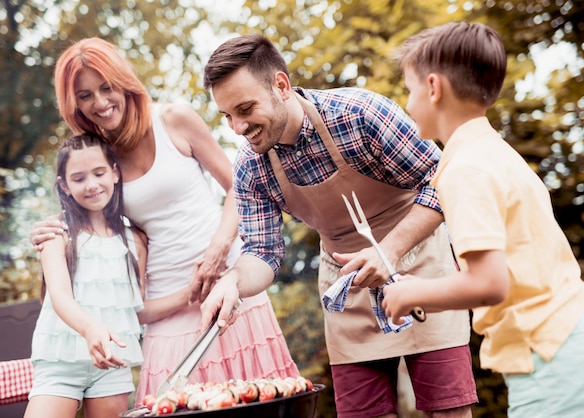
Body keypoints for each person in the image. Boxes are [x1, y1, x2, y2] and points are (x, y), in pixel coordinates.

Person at [200, 33, 478, 418]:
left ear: (281, 85)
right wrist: (232, 281)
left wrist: (390, 250)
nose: (237, 127)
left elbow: (442, 180)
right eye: (227, 115)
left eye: (245, 109)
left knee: (449, 412)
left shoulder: (360, 114)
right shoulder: (251, 166)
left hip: (420, 268)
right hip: (346, 287)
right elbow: (263, 253)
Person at [29, 37, 299, 406]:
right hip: (166, 299)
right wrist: (52, 227)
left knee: (257, 401)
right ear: (73, 102)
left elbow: (240, 186)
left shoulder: (174, 119)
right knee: (174, 404)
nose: (100, 102)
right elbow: (86, 208)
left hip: (227, 282)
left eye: (106, 87)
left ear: (123, 81)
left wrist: (220, 248)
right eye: (85, 95)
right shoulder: (99, 157)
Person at [380, 21, 584, 417]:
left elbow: (490, 283)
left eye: (409, 91)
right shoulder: (495, 153)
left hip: (548, 355)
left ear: (432, 87)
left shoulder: (466, 169)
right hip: (572, 338)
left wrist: (412, 294)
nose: (408, 104)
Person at [24, 133, 146, 418]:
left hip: (112, 365)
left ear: (115, 173)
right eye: (78, 179)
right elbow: (60, 297)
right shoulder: (56, 232)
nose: (91, 185)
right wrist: (92, 330)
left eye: (99, 173)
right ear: (64, 186)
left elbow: (139, 308)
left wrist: (189, 295)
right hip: (60, 362)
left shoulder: (135, 239)